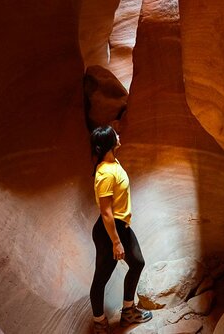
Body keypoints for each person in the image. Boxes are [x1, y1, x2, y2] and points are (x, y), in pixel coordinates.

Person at [89, 125, 152, 333]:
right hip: (110, 231)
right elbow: (106, 212)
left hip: (121, 226)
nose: (118, 135)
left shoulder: (111, 162)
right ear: (109, 143)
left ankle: (128, 311)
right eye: (115, 134)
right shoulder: (105, 174)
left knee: (137, 263)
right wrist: (116, 241)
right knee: (101, 279)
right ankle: (99, 322)